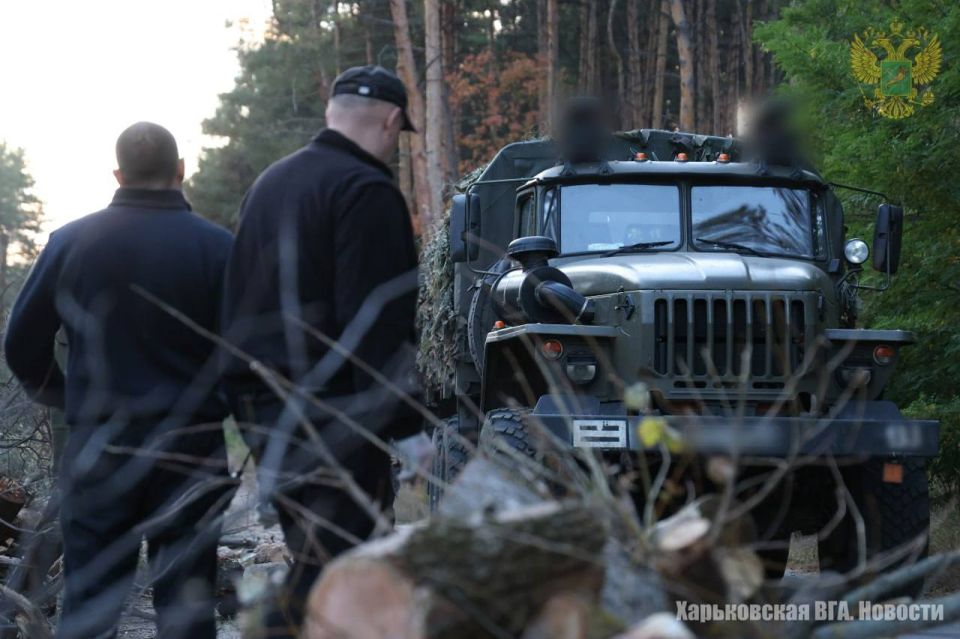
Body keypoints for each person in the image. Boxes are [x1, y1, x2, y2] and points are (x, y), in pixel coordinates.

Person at [3, 122, 235, 639]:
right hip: (191, 450)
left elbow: (20, 342)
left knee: (91, 603)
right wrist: (228, 407)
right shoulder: (218, 248)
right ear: (181, 170)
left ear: (118, 173)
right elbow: (253, 351)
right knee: (188, 606)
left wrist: (64, 398)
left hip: (100, 448)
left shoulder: (72, 242)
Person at [220, 65, 425, 636]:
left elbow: (236, 303)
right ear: (390, 122)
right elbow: (377, 325)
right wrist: (408, 425)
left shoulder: (269, 185)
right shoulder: (367, 192)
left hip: (265, 409)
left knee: (315, 560)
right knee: (346, 574)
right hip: (336, 416)